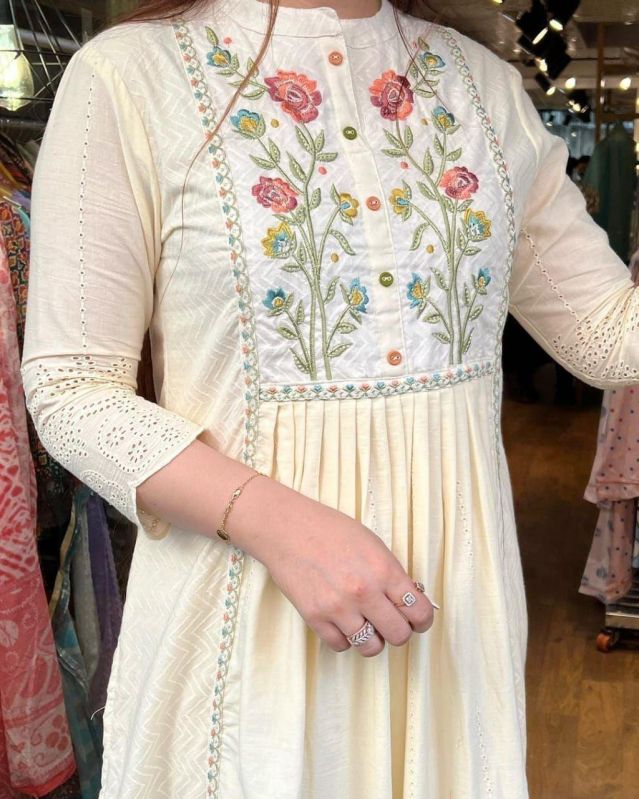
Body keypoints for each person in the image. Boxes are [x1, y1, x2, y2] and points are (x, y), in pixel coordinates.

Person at [21, 0, 639, 796]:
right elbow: (72, 388)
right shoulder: (132, 76)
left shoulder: (481, 86)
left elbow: (603, 335)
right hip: (244, 618)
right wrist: (278, 524)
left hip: (451, 623)